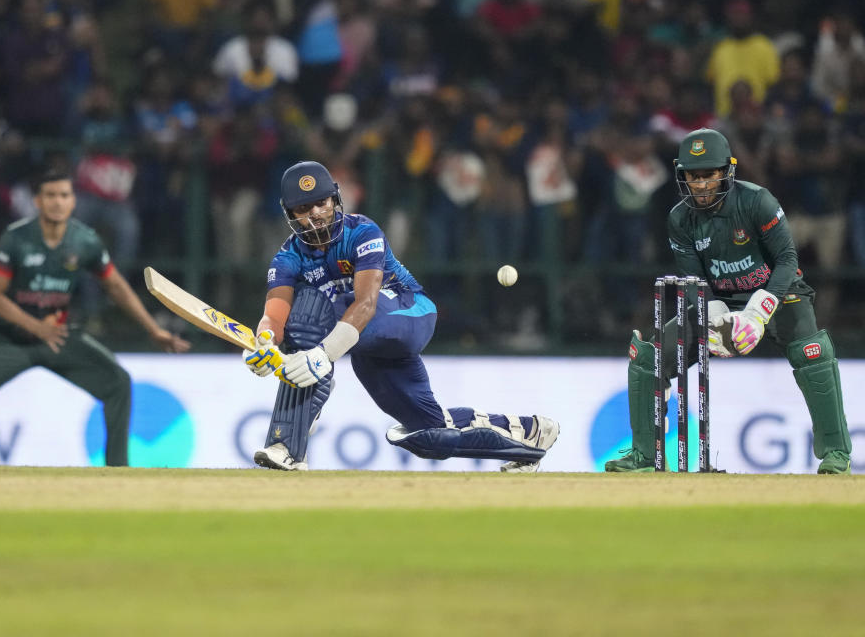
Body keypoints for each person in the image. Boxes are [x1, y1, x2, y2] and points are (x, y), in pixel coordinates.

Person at [241, 161, 559, 472]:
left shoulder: (362, 231)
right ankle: (529, 433)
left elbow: (365, 304)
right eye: (303, 208)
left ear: (334, 199)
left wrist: (322, 356)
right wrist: (265, 340)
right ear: (290, 214)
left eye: (321, 202)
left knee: (315, 308)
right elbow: (275, 315)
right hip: (365, 346)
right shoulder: (287, 257)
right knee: (429, 432)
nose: (316, 214)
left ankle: (290, 438)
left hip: (408, 312)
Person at [605, 128, 853, 474]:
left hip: (781, 296)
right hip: (720, 300)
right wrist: (715, 316)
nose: (702, 184)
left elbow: (787, 260)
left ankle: (836, 454)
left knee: (814, 356)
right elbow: (694, 279)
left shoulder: (757, 201)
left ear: (726, 171)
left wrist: (758, 312)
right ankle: (644, 455)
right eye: (694, 176)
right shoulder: (680, 219)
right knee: (649, 358)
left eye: (709, 175)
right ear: (683, 176)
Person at [0, 170, 190, 467]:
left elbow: (116, 286)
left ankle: (118, 473)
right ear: (38, 201)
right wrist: (35, 327)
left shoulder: (84, 241)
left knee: (117, 383)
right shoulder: (16, 239)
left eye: (64, 195)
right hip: (7, 339)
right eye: (51, 195)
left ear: (73, 201)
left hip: (57, 337)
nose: (57, 202)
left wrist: (153, 330)